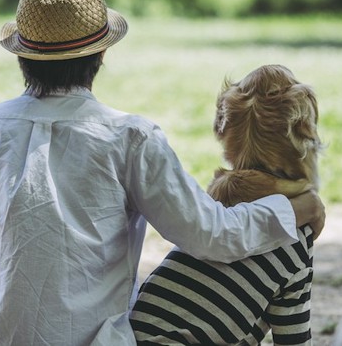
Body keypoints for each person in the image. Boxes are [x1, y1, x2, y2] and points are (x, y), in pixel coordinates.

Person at [0, 0, 326, 346]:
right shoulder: (132, 137)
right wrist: (293, 209)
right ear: (100, 53)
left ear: (23, 57)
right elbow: (209, 234)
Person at [130, 65, 322, 345]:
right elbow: (292, 339)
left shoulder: (211, 210)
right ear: (304, 129)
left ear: (225, 127)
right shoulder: (291, 230)